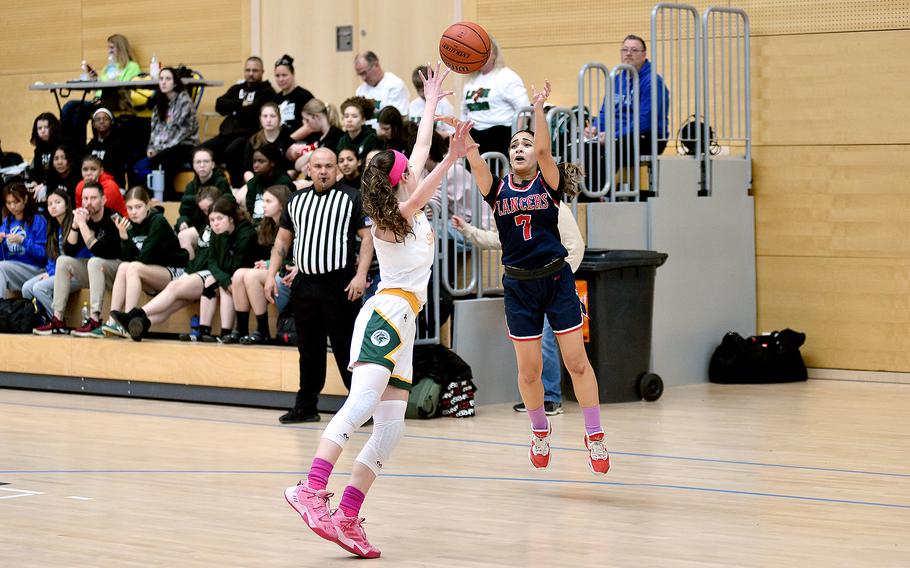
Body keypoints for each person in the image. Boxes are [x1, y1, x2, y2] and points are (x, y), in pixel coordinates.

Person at [280, 63, 467, 559]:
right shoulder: (391, 219)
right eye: (410, 167)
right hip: (385, 315)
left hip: (404, 322)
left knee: (392, 425)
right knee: (362, 404)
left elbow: (422, 153)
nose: (417, 166)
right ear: (400, 180)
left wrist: (429, 103)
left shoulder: (411, 203)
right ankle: (310, 489)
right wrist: (453, 160)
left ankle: (347, 513)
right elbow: (427, 178)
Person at [462, 80, 610, 474]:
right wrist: (464, 139)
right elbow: (475, 162)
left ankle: (594, 436)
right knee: (529, 371)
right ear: (508, 156)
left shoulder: (549, 183)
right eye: (514, 146)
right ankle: (540, 431)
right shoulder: (497, 190)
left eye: (524, 144)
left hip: (556, 279)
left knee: (577, 363)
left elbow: (544, 149)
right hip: (519, 285)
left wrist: (538, 108)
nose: (520, 149)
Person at [264, 147, 373, 424]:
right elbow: (282, 241)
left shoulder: (352, 197)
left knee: (346, 346)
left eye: (328, 166)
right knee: (308, 348)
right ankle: (306, 406)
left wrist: (360, 275)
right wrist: (270, 274)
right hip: (305, 284)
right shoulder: (296, 200)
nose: (323, 171)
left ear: (337, 168)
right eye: (318, 166)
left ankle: (361, 407)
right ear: (308, 169)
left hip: (339, 283)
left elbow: (368, 238)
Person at [452, 198, 586, 416]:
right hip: (526, 289)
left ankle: (551, 397)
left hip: (554, 285)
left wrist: (560, 278)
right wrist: (467, 230)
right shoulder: (511, 206)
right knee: (531, 349)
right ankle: (537, 401)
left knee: (554, 347)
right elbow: (499, 240)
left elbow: (575, 245)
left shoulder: (554, 204)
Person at [117, 197, 256, 342]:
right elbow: (213, 261)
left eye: (219, 219)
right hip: (214, 275)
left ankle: (135, 314)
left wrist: (225, 280)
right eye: (212, 219)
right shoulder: (216, 231)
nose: (215, 223)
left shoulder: (245, 233)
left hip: (225, 278)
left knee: (174, 287)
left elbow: (232, 266)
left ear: (231, 218)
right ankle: (142, 323)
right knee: (172, 304)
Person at [32, 182, 120, 336]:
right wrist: (74, 225)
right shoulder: (84, 219)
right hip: (96, 271)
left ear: (104, 200)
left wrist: (82, 225)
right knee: (63, 261)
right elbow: (70, 251)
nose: (88, 203)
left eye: (93, 198)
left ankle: (94, 319)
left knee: (94, 261)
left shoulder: (112, 218)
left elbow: (102, 251)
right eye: (85, 198)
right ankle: (57, 319)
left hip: (117, 270)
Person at [101, 187, 189, 338]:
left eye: (138, 207)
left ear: (148, 205)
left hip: (175, 272)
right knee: (123, 267)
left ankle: (127, 321)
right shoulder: (128, 224)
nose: (134, 212)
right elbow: (129, 259)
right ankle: (113, 322)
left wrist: (127, 242)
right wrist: (124, 238)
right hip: (151, 271)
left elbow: (143, 259)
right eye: (130, 208)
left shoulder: (158, 221)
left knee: (133, 267)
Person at [587, 34, 669, 193]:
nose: (628, 53)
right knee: (586, 147)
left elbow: (644, 122)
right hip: (620, 135)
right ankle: (581, 193)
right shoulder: (618, 79)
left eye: (634, 50)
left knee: (615, 146)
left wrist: (612, 135)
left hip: (649, 138)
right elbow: (605, 111)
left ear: (644, 55)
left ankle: (596, 194)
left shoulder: (652, 82)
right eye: (625, 49)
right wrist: (596, 128)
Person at [228, 184, 292, 344]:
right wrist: (266, 263)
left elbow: (293, 257)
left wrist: (269, 264)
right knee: (238, 275)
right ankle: (241, 328)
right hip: (277, 272)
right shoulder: (268, 224)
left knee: (251, 276)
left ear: (282, 204)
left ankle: (262, 330)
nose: (263, 205)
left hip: (290, 275)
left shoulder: (293, 224)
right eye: (263, 201)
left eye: (269, 201)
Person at [61, 33, 141, 150]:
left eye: (112, 48)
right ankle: (67, 145)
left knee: (80, 112)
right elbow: (100, 88)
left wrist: (114, 79)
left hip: (118, 100)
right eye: (108, 48)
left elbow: (127, 87)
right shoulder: (108, 67)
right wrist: (95, 80)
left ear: (121, 48)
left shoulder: (132, 66)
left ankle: (79, 148)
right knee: (69, 106)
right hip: (99, 100)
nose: (109, 51)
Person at [205, 56, 276, 183]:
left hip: (247, 134)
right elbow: (219, 105)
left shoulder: (267, 91)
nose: (250, 74)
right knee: (200, 152)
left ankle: (237, 186)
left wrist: (234, 107)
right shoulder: (237, 88)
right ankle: (214, 183)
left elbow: (253, 111)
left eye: (255, 71)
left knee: (231, 152)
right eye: (247, 70)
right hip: (226, 134)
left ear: (262, 72)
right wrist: (240, 103)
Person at [460, 36, 530, 157]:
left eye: (485, 51)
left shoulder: (506, 76)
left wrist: (515, 141)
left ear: (494, 54)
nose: (480, 55)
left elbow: (524, 111)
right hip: (475, 132)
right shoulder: (470, 81)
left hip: (499, 132)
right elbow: (464, 113)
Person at [141, 67, 200, 200]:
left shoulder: (185, 102)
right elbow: (155, 130)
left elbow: (180, 132)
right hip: (165, 147)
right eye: (161, 79)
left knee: (162, 161)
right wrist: (152, 148)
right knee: (143, 159)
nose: (163, 82)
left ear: (175, 83)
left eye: (168, 79)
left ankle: (168, 198)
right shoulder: (160, 104)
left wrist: (159, 150)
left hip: (185, 144)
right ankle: (154, 196)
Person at [23, 189, 79, 318]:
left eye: (58, 202)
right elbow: (52, 257)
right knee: (27, 288)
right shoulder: (53, 227)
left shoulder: (74, 225)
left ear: (67, 204)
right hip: (57, 273)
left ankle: (57, 320)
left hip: (75, 274)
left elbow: (78, 255)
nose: (53, 206)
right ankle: (42, 319)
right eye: (50, 204)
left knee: (39, 288)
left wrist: (53, 274)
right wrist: (49, 272)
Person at [0, 182, 47, 298]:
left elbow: (44, 254)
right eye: (8, 203)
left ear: (25, 199)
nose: (12, 207)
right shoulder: (6, 222)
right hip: (14, 271)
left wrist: (23, 241)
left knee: (1, 267)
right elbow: (3, 258)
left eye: (16, 202)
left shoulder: (38, 220)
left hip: (36, 270)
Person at [175, 147, 233, 237]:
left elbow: (229, 202)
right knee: (183, 235)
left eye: (206, 161)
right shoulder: (190, 186)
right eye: (198, 162)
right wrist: (182, 221)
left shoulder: (221, 182)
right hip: (198, 226)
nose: (202, 165)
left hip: (217, 225)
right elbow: (184, 212)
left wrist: (194, 200)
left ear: (213, 164)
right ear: (193, 165)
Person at [235, 144, 293, 225]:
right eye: (254, 161)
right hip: (256, 226)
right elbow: (250, 209)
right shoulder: (253, 183)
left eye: (261, 161)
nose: (255, 165)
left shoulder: (284, 182)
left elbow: (287, 211)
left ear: (272, 162)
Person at [286, 98, 344, 173]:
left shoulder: (335, 136)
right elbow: (298, 166)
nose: (305, 125)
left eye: (307, 120)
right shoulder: (322, 137)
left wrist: (310, 155)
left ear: (316, 117)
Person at [241, 102, 294, 184]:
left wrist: (281, 183)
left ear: (279, 118)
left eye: (272, 116)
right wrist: (254, 184)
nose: (268, 120)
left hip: (281, 183)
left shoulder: (287, 140)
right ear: (260, 118)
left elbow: (292, 169)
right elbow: (247, 170)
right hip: (257, 182)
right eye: (265, 116)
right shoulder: (253, 141)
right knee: (240, 196)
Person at [353, 51, 409, 126]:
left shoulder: (395, 85)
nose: (363, 78)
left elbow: (397, 117)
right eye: (360, 74)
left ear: (376, 65)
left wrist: (375, 104)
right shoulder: (360, 91)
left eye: (364, 73)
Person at [272, 55, 315, 139]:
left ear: (293, 74)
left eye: (284, 75)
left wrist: (287, 142)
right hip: (280, 141)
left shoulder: (304, 96)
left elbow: (311, 126)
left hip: (300, 142)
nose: (281, 79)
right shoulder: (275, 98)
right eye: (277, 76)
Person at [85, 108, 129, 189]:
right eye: (98, 119)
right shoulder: (90, 145)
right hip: (93, 186)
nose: (102, 121)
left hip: (114, 186)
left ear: (111, 122)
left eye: (105, 119)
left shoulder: (118, 144)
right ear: (93, 124)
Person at [409, 64, 456, 137]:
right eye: (418, 89)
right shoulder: (413, 105)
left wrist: (433, 135)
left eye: (423, 88)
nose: (421, 93)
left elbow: (453, 132)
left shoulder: (444, 104)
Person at [336, 97, 381, 163]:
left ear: (363, 120)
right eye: (346, 116)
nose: (349, 120)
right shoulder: (342, 140)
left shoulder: (372, 138)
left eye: (354, 116)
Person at [27, 113, 63, 191]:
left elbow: (60, 171)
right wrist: (34, 181)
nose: (42, 131)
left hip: (58, 184)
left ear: (53, 127)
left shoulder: (61, 146)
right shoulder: (39, 149)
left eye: (46, 127)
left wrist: (44, 184)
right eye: (39, 128)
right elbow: (36, 169)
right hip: (43, 184)